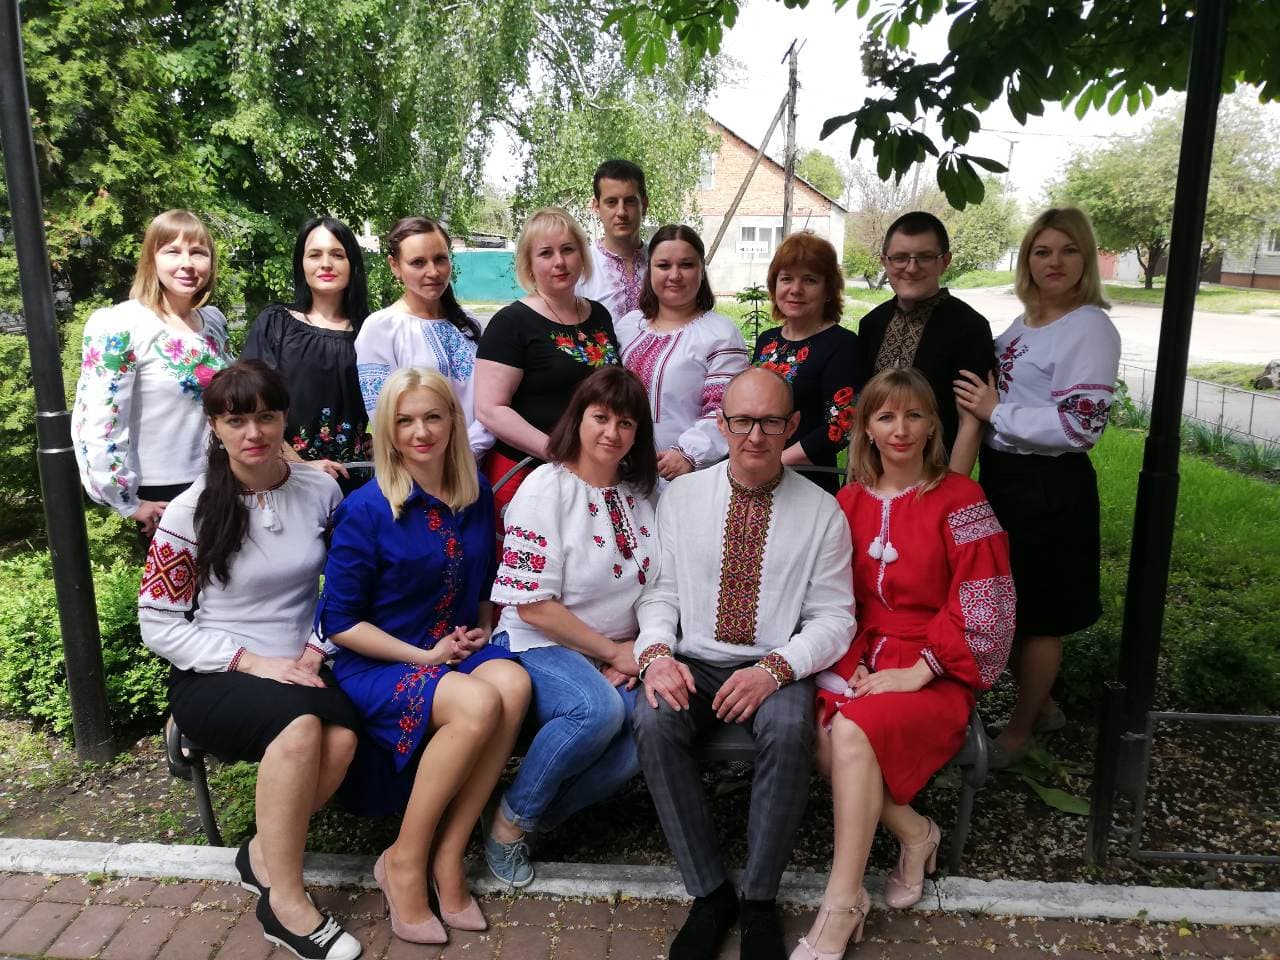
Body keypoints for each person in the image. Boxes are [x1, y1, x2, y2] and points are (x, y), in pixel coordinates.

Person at [139, 361, 361, 960]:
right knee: (301, 728)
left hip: (301, 666)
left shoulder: (320, 491)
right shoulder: (189, 511)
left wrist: (317, 649)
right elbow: (158, 624)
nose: (253, 433)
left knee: (341, 740)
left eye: (265, 417)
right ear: (215, 426)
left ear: (285, 418)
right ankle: (284, 904)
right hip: (217, 672)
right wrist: (251, 661)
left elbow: (345, 589)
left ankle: (260, 853)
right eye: (235, 421)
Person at [791, 367, 1014, 960]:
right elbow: (830, 598)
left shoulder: (961, 500)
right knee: (817, 734)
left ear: (933, 426)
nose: (901, 429)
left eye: (915, 415)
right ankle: (916, 832)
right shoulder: (846, 503)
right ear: (865, 428)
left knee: (851, 730)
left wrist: (922, 669)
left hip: (938, 667)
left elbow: (986, 599)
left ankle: (842, 902)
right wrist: (851, 662)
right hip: (863, 656)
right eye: (886, 416)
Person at [633, 367, 855, 960]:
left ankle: (758, 899)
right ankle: (710, 893)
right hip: (694, 660)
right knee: (653, 720)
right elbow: (660, 592)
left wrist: (775, 670)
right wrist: (656, 656)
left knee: (788, 728)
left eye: (771, 422)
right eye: (742, 421)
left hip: (774, 664)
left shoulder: (823, 512)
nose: (755, 435)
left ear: (793, 425)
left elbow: (835, 617)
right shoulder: (683, 497)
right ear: (721, 424)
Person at [318, 367, 530, 944]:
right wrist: (424, 656)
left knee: (513, 685)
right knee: (478, 703)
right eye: (405, 420)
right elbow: (340, 624)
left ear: (453, 421)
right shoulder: (367, 509)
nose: (421, 432)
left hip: (449, 650)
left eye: (433, 416)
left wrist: (480, 628)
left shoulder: (473, 493)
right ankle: (404, 861)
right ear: (387, 431)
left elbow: (484, 581)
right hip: (379, 662)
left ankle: (448, 854)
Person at [954, 207, 1121, 767]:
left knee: (1042, 613)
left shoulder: (1088, 327)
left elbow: (1081, 426)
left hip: (1049, 483)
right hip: (1006, 477)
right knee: (1014, 598)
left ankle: (1021, 732)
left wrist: (996, 411)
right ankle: (1043, 705)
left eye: (1068, 250)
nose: (1055, 262)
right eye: (1042, 251)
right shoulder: (1027, 322)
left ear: (1086, 259)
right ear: (1026, 260)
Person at [484, 366, 660, 887]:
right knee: (596, 710)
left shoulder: (645, 493)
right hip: (536, 643)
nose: (612, 433)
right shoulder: (546, 488)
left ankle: (543, 814)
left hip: (619, 649)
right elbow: (533, 607)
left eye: (626, 423)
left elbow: (667, 584)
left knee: (653, 724)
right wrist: (612, 651)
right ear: (577, 419)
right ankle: (509, 824)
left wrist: (639, 646)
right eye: (600, 417)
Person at [73, 209, 233, 536]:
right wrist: (127, 502)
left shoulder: (213, 321)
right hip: (161, 493)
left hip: (219, 478)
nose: (187, 263)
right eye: (172, 251)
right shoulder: (121, 325)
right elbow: (100, 420)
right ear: (152, 259)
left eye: (198, 252)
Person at [475, 207, 622, 516]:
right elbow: (490, 409)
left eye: (568, 249)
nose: (560, 262)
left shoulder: (599, 315)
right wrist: (558, 452)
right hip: (529, 474)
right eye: (546, 253)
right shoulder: (511, 322)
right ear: (529, 264)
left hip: (594, 473)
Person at [854, 211, 995, 476]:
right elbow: (863, 408)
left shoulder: (969, 328)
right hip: (871, 475)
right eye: (900, 257)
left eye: (925, 257)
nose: (911, 267)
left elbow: (972, 421)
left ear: (945, 261)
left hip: (934, 477)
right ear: (884, 261)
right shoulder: (872, 323)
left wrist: (951, 491)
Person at [615, 225, 750, 483]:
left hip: (688, 475)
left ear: (701, 271)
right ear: (650, 270)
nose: (675, 275)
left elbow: (726, 409)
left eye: (686, 265)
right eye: (663, 265)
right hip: (623, 470)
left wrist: (688, 454)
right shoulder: (628, 327)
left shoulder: (720, 333)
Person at [243, 216, 371, 482]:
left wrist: (386, 444)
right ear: (301, 264)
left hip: (354, 478)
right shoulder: (276, 323)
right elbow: (250, 403)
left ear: (352, 264)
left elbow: (396, 400)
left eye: (337, 254)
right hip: (285, 477)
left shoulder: (371, 331)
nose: (326, 263)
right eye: (315, 254)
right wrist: (299, 464)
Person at [355, 216, 493, 458]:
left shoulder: (467, 324)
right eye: (418, 262)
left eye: (440, 259)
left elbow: (489, 400)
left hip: (479, 463)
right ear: (395, 266)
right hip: (419, 468)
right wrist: (446, 459)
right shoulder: (381, 328)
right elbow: (384, 416)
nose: (433, 272)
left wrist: (469, 451)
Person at [752, 233, 861, 492]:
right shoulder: (768, 340)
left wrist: (776, 462)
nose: (796, 289)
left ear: (828, 289)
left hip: (807, 481)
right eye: (786, 279)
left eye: (810, 280)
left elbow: (841, 427)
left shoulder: (843, 345)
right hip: (757, 471)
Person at [577, 159, 649, 320]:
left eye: (630, 201)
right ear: (596, 206)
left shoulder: (663, 263)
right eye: (611, 202)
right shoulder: (580, 267)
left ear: (644, 205)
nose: (621, 212)